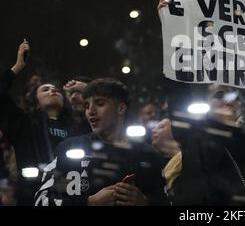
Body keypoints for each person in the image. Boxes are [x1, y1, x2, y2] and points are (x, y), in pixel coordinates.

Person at [34, 78, 167, 206]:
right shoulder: (67, 148)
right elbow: (41, 201)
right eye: (87, 105)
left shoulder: (148, 155)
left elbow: (169, 201)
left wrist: (145, 203)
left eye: (100, 103)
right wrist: (89, 203)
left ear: (121, 108)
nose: (90, 111)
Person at [0, 41, 75, 204]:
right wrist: (17, 66)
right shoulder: (24, 125)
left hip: (75, 198)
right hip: (34, 198)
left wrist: (83, 88)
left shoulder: (75, 128)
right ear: (36, 102)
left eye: (56, 89)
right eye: (45, 89)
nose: (52, 90)